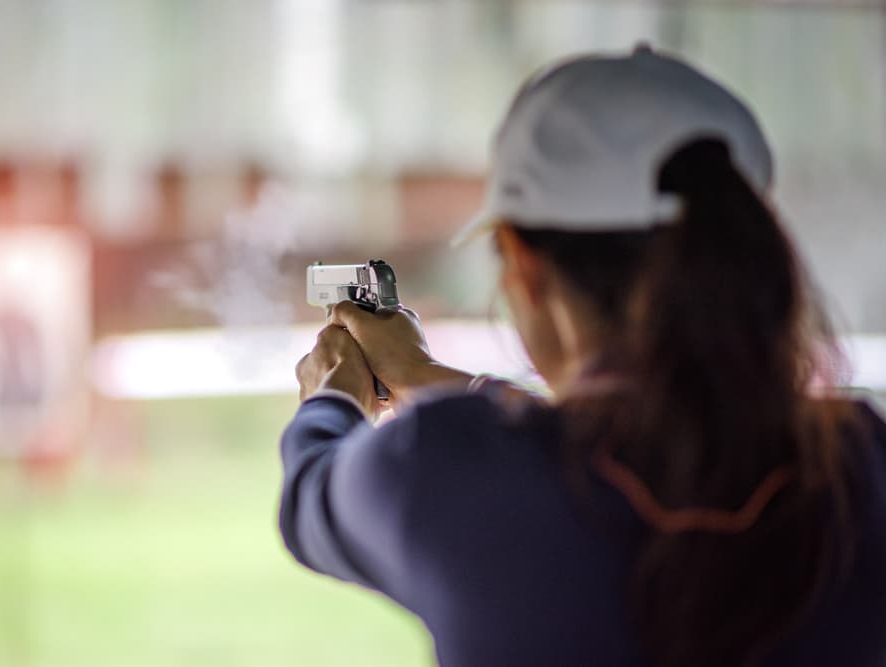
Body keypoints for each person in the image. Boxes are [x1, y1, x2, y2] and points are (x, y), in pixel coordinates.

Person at [278, 45, 886, 667]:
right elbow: (635, 445)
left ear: (523, 265)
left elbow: (309, 495)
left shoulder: (445, 466)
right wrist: (426, 378)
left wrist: (332, 393)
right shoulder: (865, 463)